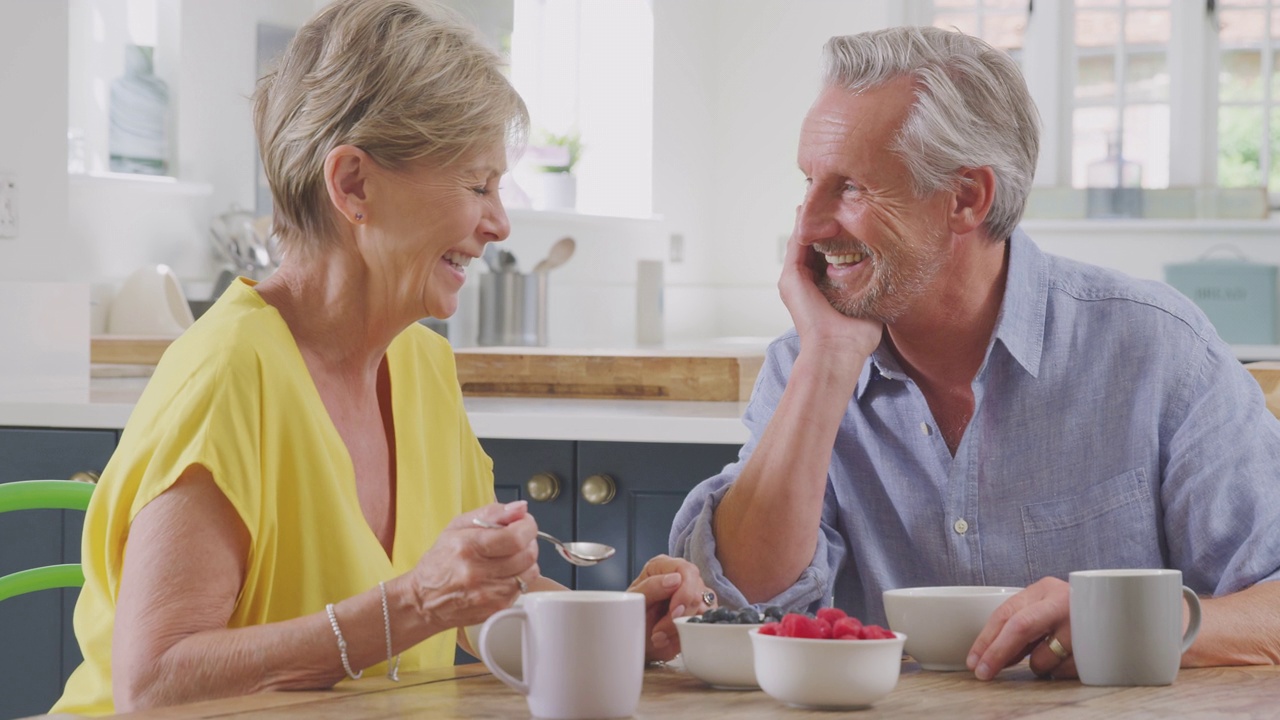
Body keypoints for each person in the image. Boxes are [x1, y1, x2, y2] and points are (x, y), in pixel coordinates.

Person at [54, 1, 711, 714]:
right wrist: (413, 604)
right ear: (354, 185)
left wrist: (623, 624)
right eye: (477, 184)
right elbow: (152, 683)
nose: (499, 223)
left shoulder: (421, 366)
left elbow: (478, 603)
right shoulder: (228, 375)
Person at [671, 25, 1280, 681]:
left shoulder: (1156, 349)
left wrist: (1129, 624)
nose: (809, 225)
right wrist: (825, 359)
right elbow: (741, 604)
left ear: (967, 198)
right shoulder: (806, 364)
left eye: (850, 188)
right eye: (810, 181)